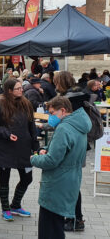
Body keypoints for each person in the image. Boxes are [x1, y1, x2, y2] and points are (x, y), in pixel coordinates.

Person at [31, 96, 91, 239]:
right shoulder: (78, 124)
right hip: (70, 178)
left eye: (52, 113)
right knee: (56, 226)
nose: (50, 117)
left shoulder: (64, 128)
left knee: (49, 228)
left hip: (57, 181)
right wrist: (46, 148)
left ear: (63, 110)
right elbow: (67, 149)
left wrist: (34, 159)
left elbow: (52, 161)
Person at [0, 78, 39, 222]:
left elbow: (31, 126)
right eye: (18, 88)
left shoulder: (25, 103)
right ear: (9, 90)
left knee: (27, 178)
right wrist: (7, 134)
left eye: (21, 87)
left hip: (24, 148)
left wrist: (35, 146)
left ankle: (15, 205)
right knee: (4, 178)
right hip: (4, 148)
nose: (21, 90)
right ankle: (5, 209)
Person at [53, 71, 91, 231]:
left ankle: (76, 219)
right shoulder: (80, 95)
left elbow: (62, 121)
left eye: (56, 82)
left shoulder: (68, 99)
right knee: (72, 182)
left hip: (71, 145)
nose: (54, 85)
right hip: (80, 144)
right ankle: (74, 218)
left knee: (71, 184)